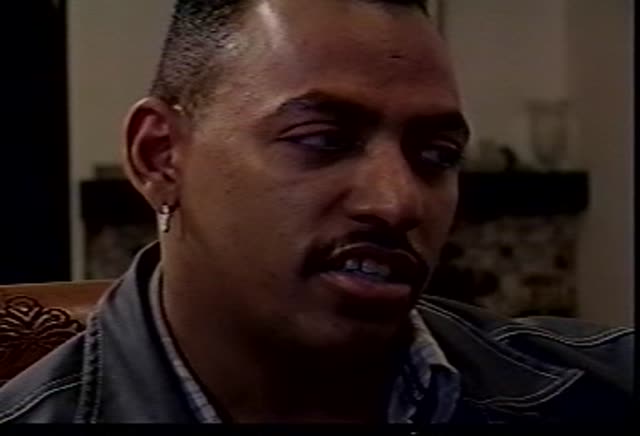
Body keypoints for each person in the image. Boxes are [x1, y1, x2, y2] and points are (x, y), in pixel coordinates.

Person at [0, 0, 633, 424]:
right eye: (323, 139)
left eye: (436, 156)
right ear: (160, 157)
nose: (397, 202)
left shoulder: (602, 392)